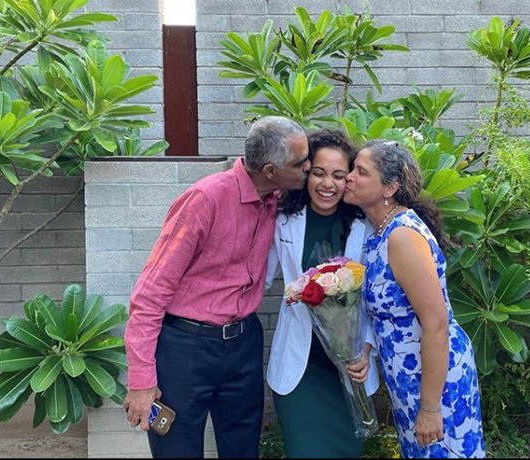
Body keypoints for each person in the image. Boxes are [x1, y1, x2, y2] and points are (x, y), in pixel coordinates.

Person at [122, 116, 311, 458]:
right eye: (300, 163)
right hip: (185, 349)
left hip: (244, 344)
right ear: (270, 170)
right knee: (177, 449)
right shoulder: (204, 200)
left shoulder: (277, 200)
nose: (309, 169)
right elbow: (149, 295)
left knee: (243, 447)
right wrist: (141, 379)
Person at [343, 140, 485, 458]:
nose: (349, 177)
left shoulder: (402, 237)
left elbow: (435, 323)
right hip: (410, 380)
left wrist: (431, 408)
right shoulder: (378, 231)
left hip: (436, 382)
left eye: (361, 172)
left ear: (389, 187)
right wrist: (366, 348)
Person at [264, 129, 380, 458]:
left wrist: (367, 347)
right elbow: (258, 275)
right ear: (306, 173)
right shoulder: (283, 220)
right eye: (318, 173)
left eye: (338, 175)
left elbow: (377, 299)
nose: (327, 184)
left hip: (350, 367)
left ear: (350, 179)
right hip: (301, 369)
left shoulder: (366, 227)